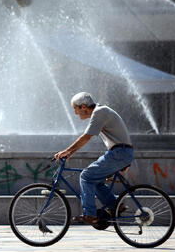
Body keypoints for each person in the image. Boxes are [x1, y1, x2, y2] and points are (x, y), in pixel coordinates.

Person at [54, 92, 134, 224]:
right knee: (95, 180)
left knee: (86, 176)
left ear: (84, 107)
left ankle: (90, 214)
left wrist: (67, 151)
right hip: (121, 153)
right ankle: (116, 206)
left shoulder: (100, 112)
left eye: (75, 108)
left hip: (119, 153)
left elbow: (86, 137)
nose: (75, 113)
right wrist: (70, 153)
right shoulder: (101, 111)